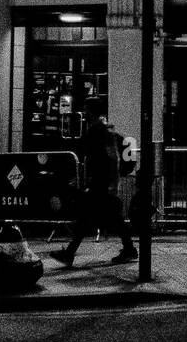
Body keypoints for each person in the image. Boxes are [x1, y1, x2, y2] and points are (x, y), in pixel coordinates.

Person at [50, 99, 138, 267]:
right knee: (102, 217)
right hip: (104, 181)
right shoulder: (103, 130)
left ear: (91, 112)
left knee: (93, 217)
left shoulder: (97, 131)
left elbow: (107, 158)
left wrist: (101, 180)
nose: (84, 113)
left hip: (101, 182)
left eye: (86, 110)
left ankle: (70, 253)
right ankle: (128, 249)